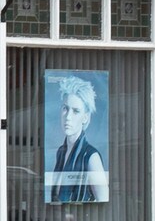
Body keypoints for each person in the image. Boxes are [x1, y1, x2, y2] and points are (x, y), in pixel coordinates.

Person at [45, 74, 109, 203]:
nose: (68, 116)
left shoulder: (91, 157)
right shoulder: (61, 152)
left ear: (85, 117)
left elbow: (103, 198)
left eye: (76, 111)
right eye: (65, 108)